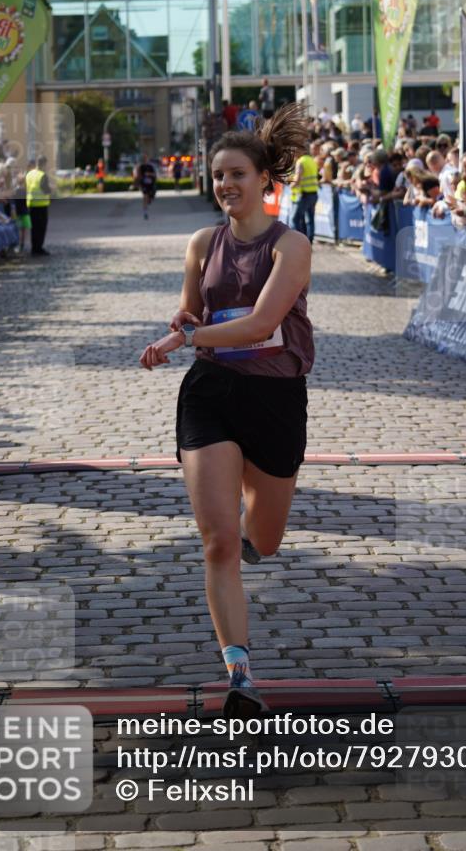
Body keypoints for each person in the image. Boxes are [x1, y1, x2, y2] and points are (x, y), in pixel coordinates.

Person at [139, 102, 314, 717]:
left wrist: (185, 338)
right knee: (218, 543)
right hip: (210, 394)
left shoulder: (291, 246)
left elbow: (265, 322)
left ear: (266, 180)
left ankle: (252, 536)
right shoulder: (200, 242)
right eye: (218, 176)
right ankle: (239, 672)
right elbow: (195, 310)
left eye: (238, 174)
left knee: (260, 538)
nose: (226, 186)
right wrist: (184, 324)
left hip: (274, 399)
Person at [291, 144, 320, 243]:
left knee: (295, 219)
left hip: (305, 194)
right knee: (310, 220)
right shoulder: (312, 160)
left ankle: (299, 242)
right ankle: (309, 242)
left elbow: (298, 179)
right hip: (314, 194)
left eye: (294, 152)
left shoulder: (301, 161)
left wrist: (291, 184)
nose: (293, 154)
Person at [25, 155, 52, 256]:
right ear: (44, 164)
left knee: (34, 228)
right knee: (41, 228)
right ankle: (39, 248)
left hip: (31, 203)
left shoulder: (29, 174)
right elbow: (45, 189)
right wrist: (51, 190)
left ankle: (34, 248)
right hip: (41, 204)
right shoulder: (42, 175)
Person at [133, 152, 157, 218]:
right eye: (144, 158)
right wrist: (136, 184)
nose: (145, 159)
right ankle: (145, 212)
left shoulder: (151, 166)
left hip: (151, 184)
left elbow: (155, 175)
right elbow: (137, 176)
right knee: (145, 196)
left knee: (150, 197)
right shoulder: (140, 166)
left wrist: (149, 174)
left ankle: (149, 200)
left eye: (146, 158)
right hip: (143, 184)